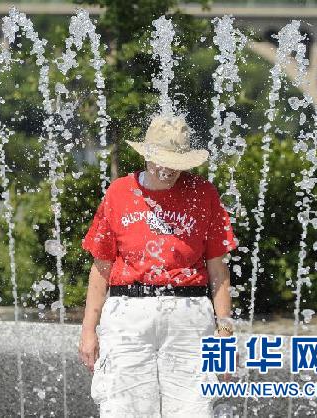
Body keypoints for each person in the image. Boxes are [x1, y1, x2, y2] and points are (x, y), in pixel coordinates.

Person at [78, 114, 239, 417]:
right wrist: (89, 330)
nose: (166, 170)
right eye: (159, 161)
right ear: (146, 155)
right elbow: (101, 268)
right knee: (123, 409)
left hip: (189, 318)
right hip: (128, 315)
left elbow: (218, 271)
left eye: (174, 163)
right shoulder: (119, 193)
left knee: (194, 410)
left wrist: (226, 334)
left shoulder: (204, 194)